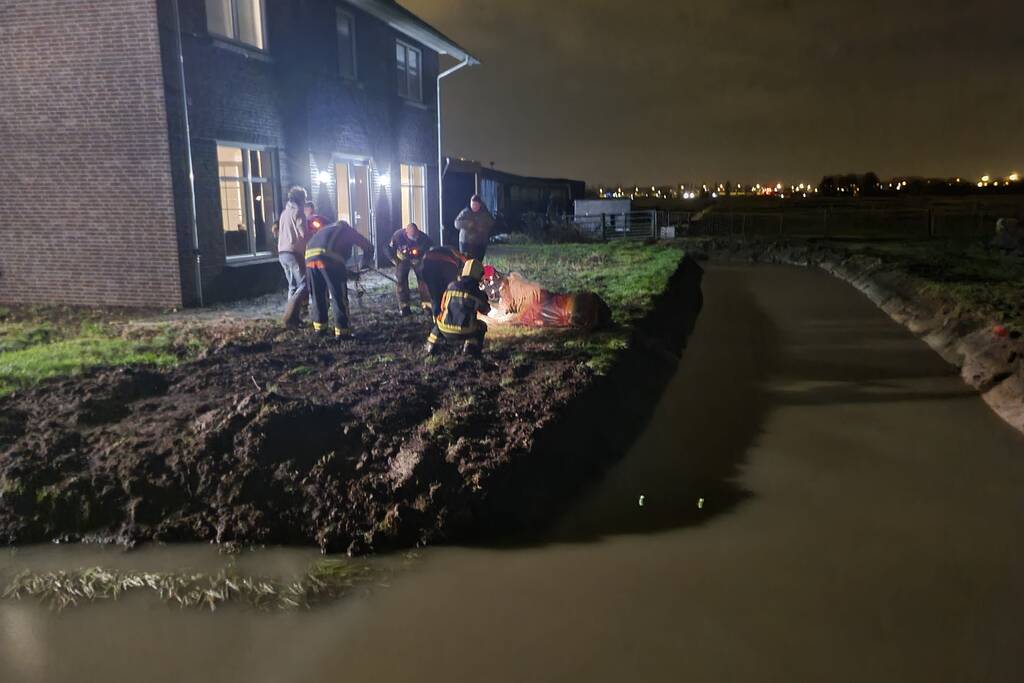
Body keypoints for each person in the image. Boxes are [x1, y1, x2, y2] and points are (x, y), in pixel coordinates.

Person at [303, 220, 374, 339]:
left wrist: (351, 274)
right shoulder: (347, 230)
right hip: (329, 258)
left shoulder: (324, 230)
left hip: (309, 259)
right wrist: (364, 264)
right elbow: (368, 247)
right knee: (338, 295)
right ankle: (342, 331)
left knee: (318, 294)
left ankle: (320, 328)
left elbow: (335, 266)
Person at [425, 259, 490, 357]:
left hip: (444, 329)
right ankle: (470, 349)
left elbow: (442, 305)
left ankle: (430, 346)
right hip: (466, 331)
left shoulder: (451, 286)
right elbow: (485, 310)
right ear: (479, 275)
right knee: (482, 326)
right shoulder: (478, 293)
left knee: (439, 321)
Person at [277, 187, 310, 327]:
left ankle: (292, 318)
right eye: (304, 199)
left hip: (282, 253)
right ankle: (290, 317)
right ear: (301, 199)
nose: (305, 202)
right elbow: (304, 233)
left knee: (293, 286)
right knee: (305, 284)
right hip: (294, 253)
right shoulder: (298, 212)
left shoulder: (284, 213)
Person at [388, 222, 433, 316]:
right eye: (412, 237)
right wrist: (394, 260)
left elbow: (430, 249)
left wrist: (422, 259)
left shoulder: (424, 238)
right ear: (406, 233)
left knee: (423, 280)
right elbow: (389, 248)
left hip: (418, 260)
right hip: (402, 259)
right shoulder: (398, 236)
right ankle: (404, 307)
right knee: (401, 280)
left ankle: (427, 307)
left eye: (416, 236)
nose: (414, 238)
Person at [421, 245, 468, 317]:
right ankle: (440, 315)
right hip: (440, 266)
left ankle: (435, 313)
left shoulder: (451, 251)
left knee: (434, 292)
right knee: (444, 293)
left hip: (426, 264)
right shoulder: (455, 262)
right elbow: (453, 285)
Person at [454, 194, 495, 260]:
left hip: (480, 243)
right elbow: (456, 223)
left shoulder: (485, 213)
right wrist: (468, 224)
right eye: (472, 204)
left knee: (478, 262)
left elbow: (491, 222)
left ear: (480, 205)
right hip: (466, 243)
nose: (474, 206)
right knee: (466, 261)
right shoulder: (465, 212)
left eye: (476, 205)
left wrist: (483, 226)